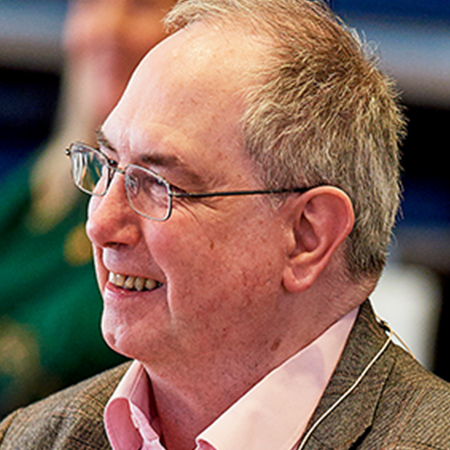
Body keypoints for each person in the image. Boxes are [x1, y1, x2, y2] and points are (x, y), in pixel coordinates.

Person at [1, 0, 450, 448]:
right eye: (107, 166)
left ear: (308, 236)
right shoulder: (30, 438)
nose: (100, 224)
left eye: (158, 183)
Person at [0, 0, 175, 418]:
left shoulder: (182, 219)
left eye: (141, 7)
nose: (108, 29)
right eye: (93, 5)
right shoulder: (37, 189)